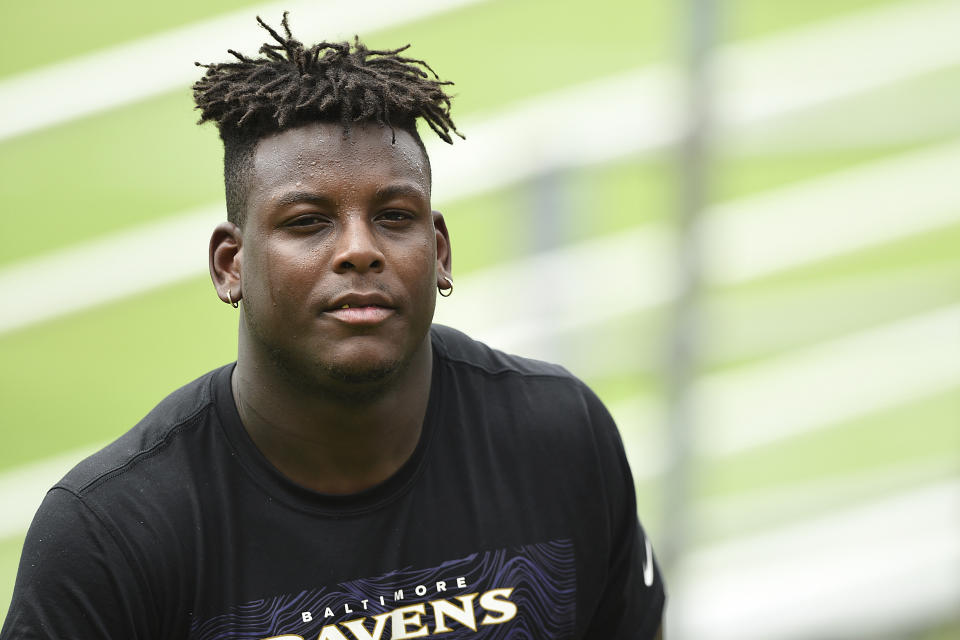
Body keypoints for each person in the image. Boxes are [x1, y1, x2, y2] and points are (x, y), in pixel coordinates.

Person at [1, 14, 664, 640]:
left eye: (395, 216)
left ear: (439, 250)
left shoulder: (559, 437)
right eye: (308, 221)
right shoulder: (110, 534)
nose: (358, 249)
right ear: (231, 265)